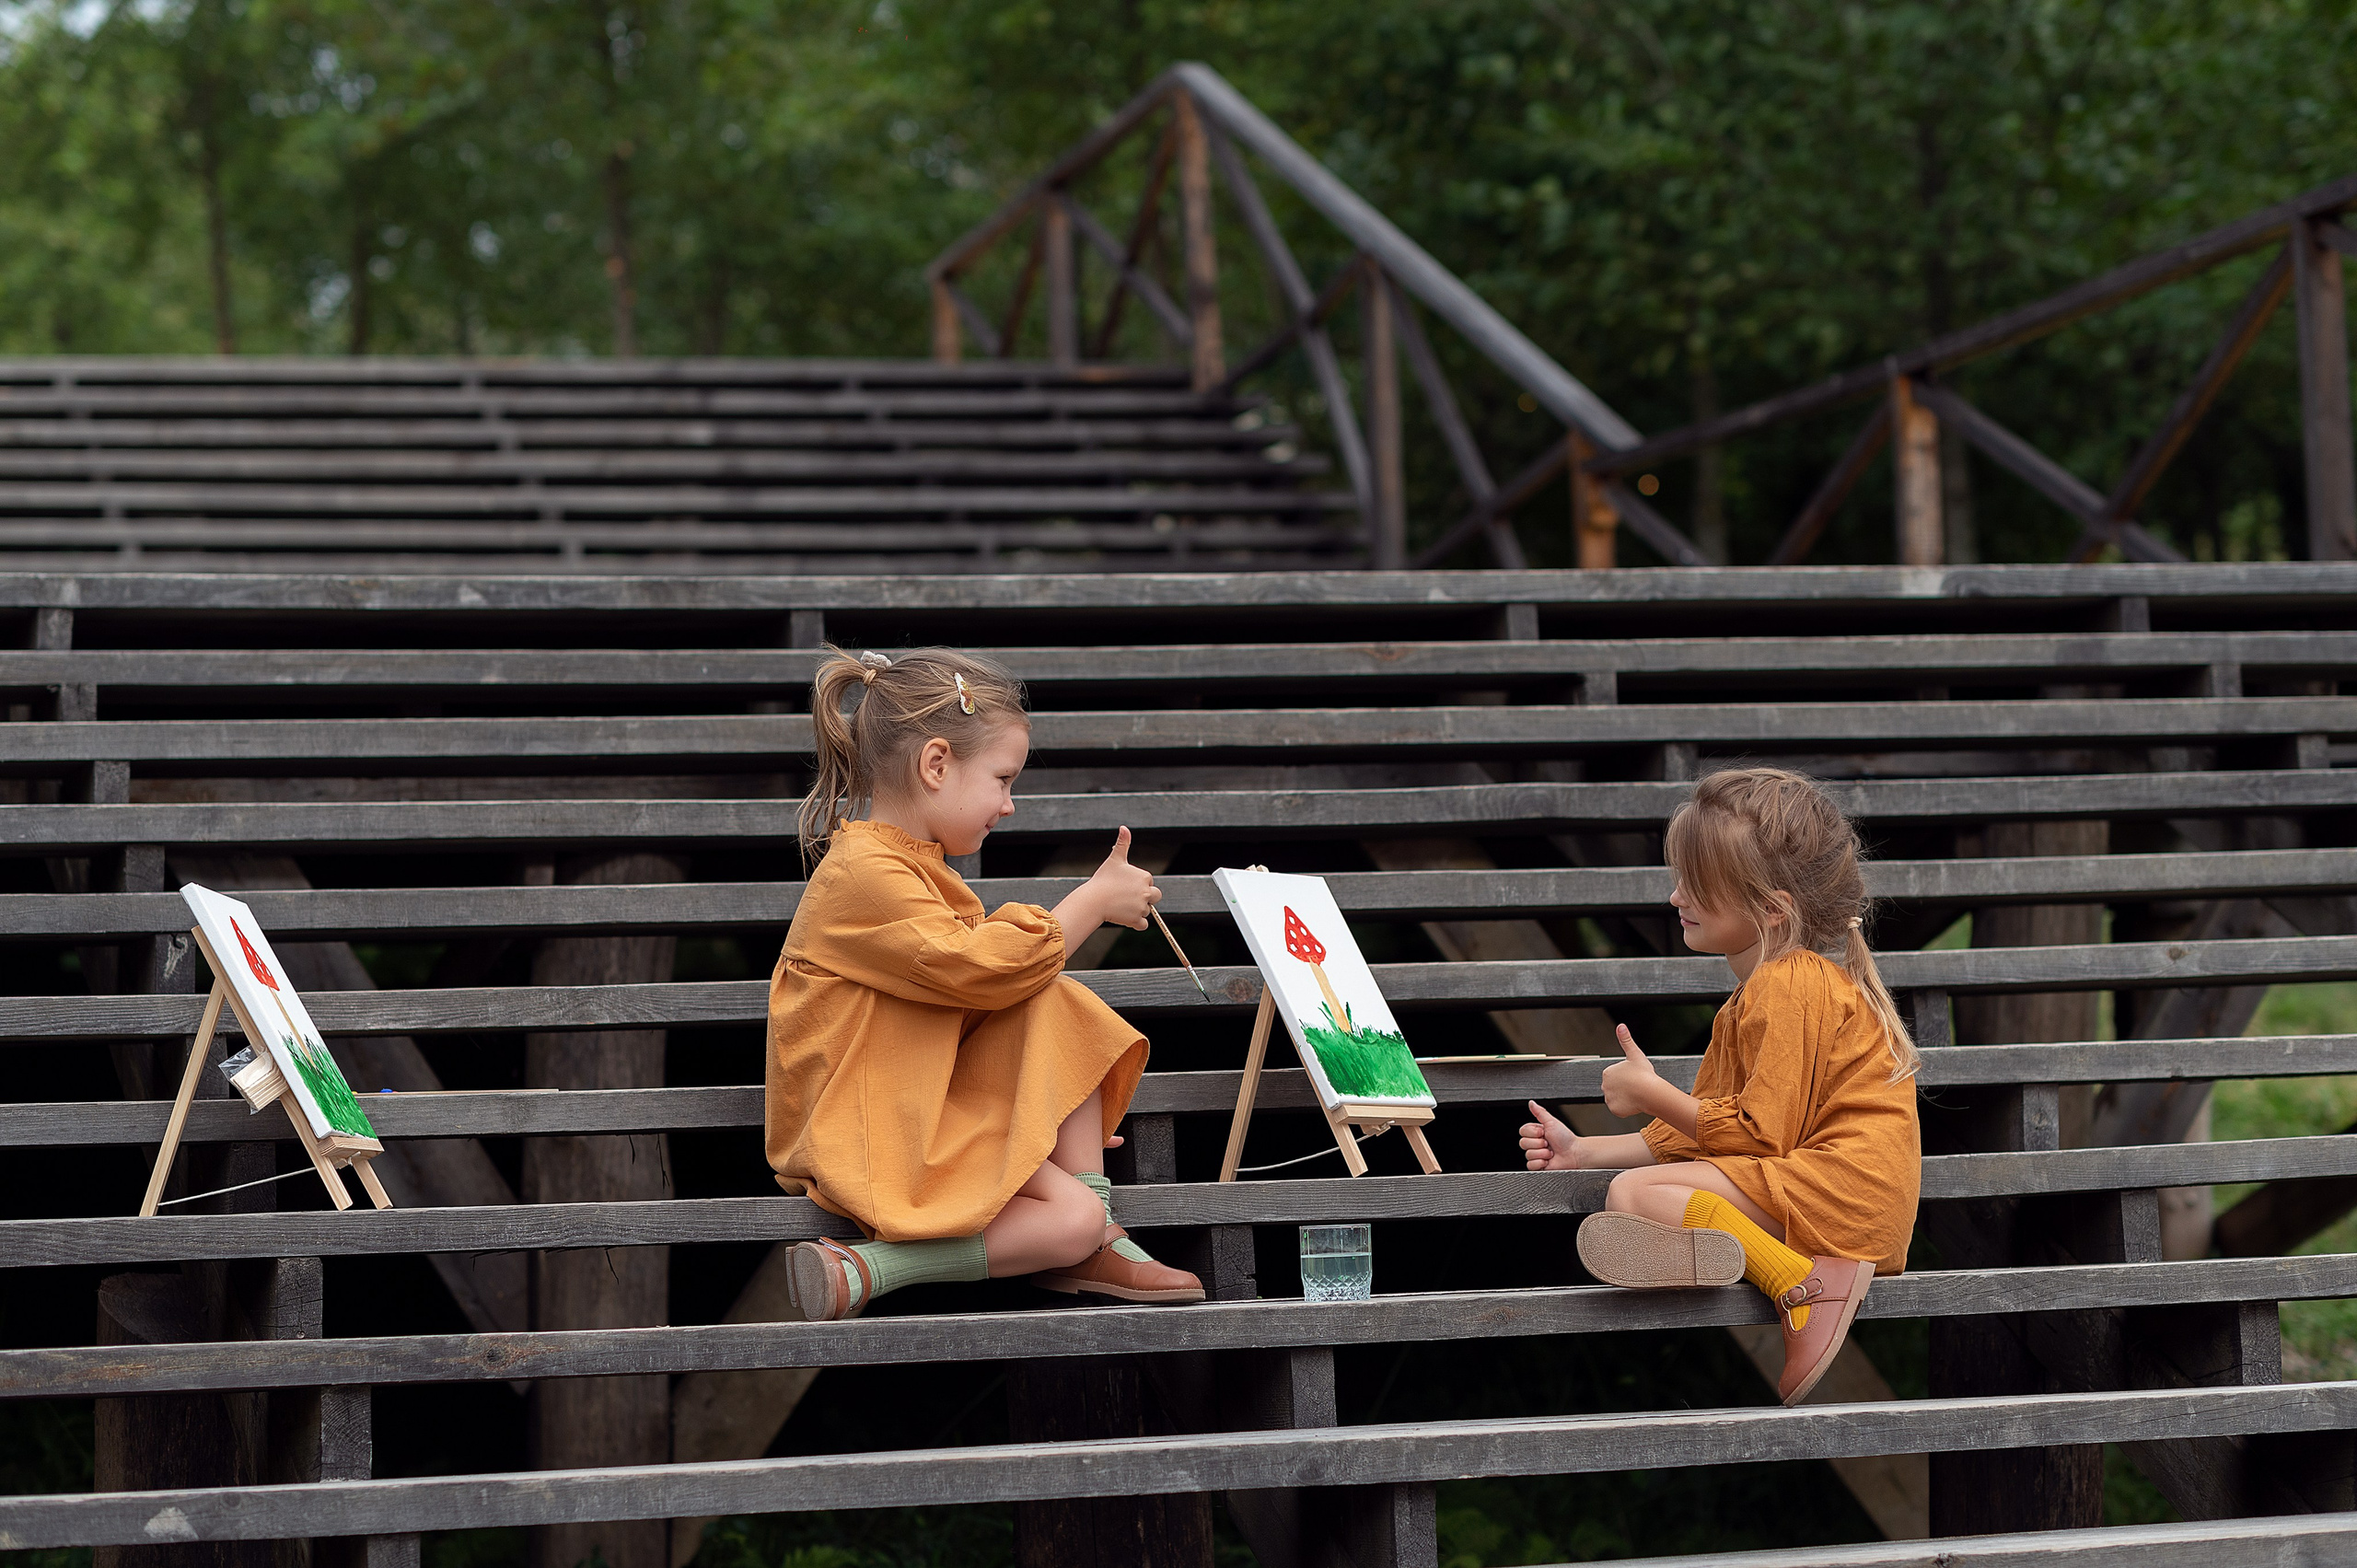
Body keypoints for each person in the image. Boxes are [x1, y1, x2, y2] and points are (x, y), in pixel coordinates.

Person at [766, 647, 1205, 1320]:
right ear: (936, 764)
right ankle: (868, 1267)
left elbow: (980, 1003)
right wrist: (1089, 900)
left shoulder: (916, 869)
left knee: (1058, 1001)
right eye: (1002, 779)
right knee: (1072, 1215)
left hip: (922, 1108)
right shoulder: (865, 876)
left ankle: (1095, 1232)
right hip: (873, 1129)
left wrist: (1038, 1098)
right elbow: (985, 971)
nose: (1008, 803)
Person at [1518, 767, 1922, 1404]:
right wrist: (1583, 1152)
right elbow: (1704, 1126)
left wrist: (1650, 1091)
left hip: (1844, 1195)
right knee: (1626, 1198)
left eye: (1698, 884)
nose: (1678, 896)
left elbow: (1757, 1135)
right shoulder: (1758, 992)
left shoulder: (1789, 984)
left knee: (1633, 1195)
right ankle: (1716, 1250)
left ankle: (1802, 1286)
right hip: (1828, 1190)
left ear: (1770, 907)